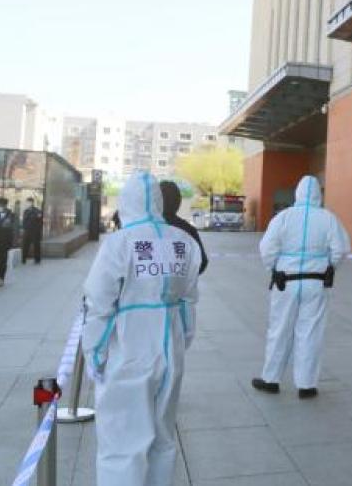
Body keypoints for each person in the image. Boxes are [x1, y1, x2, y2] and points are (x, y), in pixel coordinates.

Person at [82, 172, 201, 485]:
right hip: (170, 350)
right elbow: (189, 300)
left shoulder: (119, 243)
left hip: (129, 350)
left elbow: (99, 302)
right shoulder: (183, 241)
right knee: (163, 436)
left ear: (125, 202)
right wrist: (181, 342)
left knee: (121, 440)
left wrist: (93, 353)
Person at [253, 175, 349, 398]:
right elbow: (341, 249)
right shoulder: (328, 219)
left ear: (297, 193)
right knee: (311, 332)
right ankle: (306, 385)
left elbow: (267, 248)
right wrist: (331, 266)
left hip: (285, 281)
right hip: (316, 282)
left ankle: (271, 379)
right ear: (318, 194)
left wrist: (273, 268)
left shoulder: (283, 217)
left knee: (279, 330)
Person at [159, 181, 209, 275]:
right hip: (180, 287)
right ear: (178, 202)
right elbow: (202, 262)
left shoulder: (140, 229)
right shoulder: (188, 229)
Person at [21, 198, 43, 264]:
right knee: (25, 245)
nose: (28, 204)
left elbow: (40, 220)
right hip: (27, 231)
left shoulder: (37, 211)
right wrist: (24, 228)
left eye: (29, 202)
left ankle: (37, 259)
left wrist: (38, 229)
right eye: (27, 202)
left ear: (32, 203)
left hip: (35, 231)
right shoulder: (25, 211)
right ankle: (23, 259)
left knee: (36, 245)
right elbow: (24, 221)